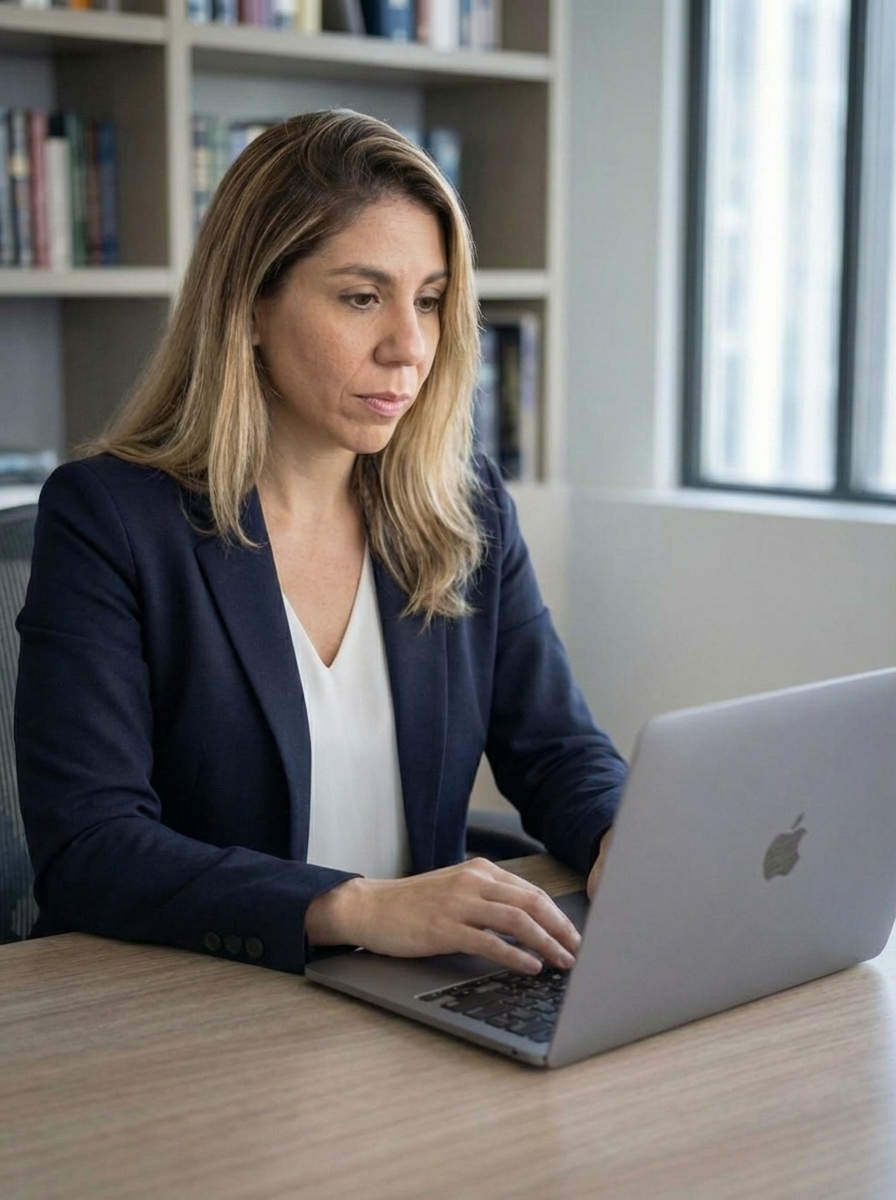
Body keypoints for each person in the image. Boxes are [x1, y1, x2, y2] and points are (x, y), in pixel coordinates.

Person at [15, 109, 627, 978]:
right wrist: (359, 907)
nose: (408, 348)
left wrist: (623, 835)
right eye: (361, 297)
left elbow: (558, 751)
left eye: (428, 300)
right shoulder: (110, 519)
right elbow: (90, 846)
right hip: (195, 1007)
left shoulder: (465, 506)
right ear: (251, 306)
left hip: (413, 1000)